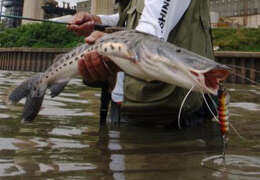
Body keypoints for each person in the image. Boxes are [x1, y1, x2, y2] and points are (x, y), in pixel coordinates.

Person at [67, 0, 216, 128]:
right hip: (127, 108)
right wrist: (97, 21)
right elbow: (134, 18)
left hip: (169, 121)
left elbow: (148, 34)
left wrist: (108, 47)